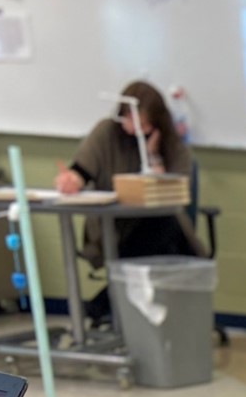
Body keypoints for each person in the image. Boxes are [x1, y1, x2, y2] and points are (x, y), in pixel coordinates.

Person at [54, 81, 204, 306]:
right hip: (114, 228)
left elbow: (176, 192)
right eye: (129, 120)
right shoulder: (106, 132)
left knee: (165, 226)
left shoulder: (172, 144)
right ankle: (112, 302)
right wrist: (71, 181)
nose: (135, 129)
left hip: (160, 225)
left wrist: (153, 156)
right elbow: (82, 170)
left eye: (143, 124)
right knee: (167, 240)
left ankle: (108, 302)